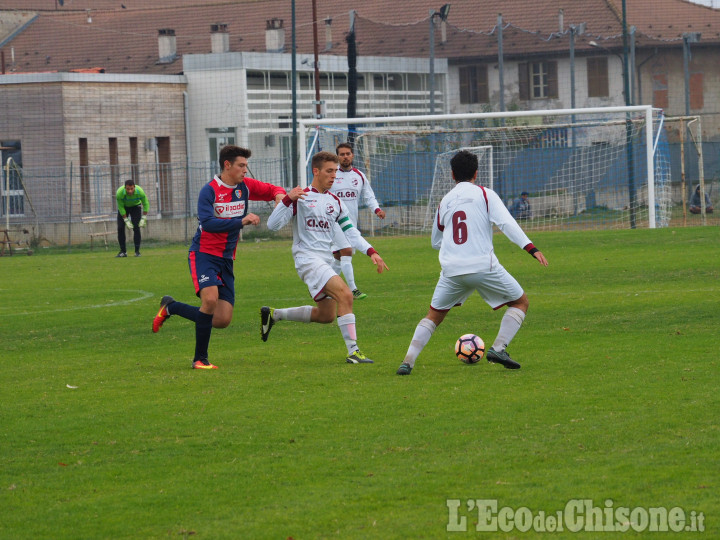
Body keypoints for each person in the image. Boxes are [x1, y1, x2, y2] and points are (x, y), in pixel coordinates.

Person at [396, 150, 548, 376]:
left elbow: (436, 241)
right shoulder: (485, 195)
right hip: (482, 266)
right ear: (476, 173)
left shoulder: (445, 201)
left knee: (434, 316)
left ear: (452, 174)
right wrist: (531, 248)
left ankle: (407, 362)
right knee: (520, 302)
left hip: (451, 270)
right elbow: (507, 224)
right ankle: (498, 349)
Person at [152, 145, 286, 370]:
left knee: (222, 320)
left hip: (226, 259)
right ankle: (199, 359)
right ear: (227, 165)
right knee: (210, 301)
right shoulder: (210, 191)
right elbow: (208, 223)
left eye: (246, 166)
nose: (245, 170)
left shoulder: (245, 187)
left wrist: (279, 195)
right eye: (241, 165)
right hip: (203, 254)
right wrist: (241, 221)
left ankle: (171, 307)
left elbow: (272, 189)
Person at [260, 151, 389, 364]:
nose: (334, 176)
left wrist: (371, 251)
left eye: (336, 171)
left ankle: (274, 315)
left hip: (325, 260)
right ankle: (354, 352)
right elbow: (272, 225)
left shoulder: (335, 202)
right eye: (329, 171)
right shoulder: (300, 197)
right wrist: (287, 200)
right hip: (307, 260)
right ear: (316, 171)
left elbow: (351, 232)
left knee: (326, 315)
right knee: (346, 295)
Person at [328, 142, 386, 300]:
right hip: (333, 222)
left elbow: (369, 195)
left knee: (340, 258)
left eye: (348, 153)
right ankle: (353, 290)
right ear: (337, 157)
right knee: (346, 252)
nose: (345, 157)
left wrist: (377, 210)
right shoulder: (332, 175)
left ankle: (324, 287)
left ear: (352, 155)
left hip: (350, 222)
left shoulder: (359, 176)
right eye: (342, 154)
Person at [116, 179, 149, 257]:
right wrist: (126, 220)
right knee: (120, 228)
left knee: (136, 227)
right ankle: (123, 252)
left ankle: (137, 252)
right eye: (128, 189)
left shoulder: (140, 191)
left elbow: (146, 204)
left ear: (134, 187)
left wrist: (144, 217)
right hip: (124, 207)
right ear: (125, 188)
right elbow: (120, 207)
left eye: (131, 189)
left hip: (135, 207)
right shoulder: (119, 193)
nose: (130, 191)